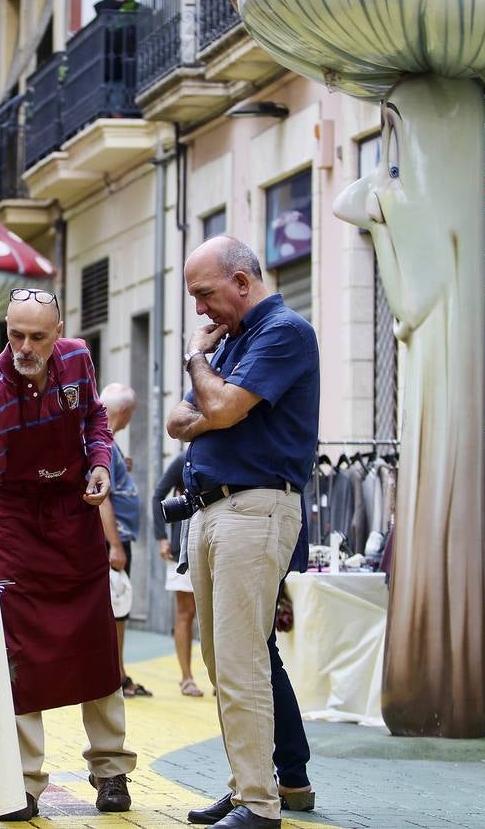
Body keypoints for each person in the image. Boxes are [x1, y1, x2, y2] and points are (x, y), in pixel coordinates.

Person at [0, 288, 136, 820]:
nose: (24, 346)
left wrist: (101, 464)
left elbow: (95, 421)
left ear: (57, 333)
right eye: (15, 334)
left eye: (37, 336)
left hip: (72, 510)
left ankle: (110, 770)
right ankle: (24, 781)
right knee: (18, 649)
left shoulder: (79, 359)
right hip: (15, 518)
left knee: (96, 641)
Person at [167, 237, 319, 829]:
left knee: (242, 660)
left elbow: (222, 411)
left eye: (205, 294)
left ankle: (260, 802)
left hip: (254, 509)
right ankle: (248, 786)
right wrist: (217, 398)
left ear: (241, 281)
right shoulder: (231, 342)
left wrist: (199, 368)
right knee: (220, 658)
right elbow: (182, 422)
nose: (201, 310)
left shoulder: (284, 331)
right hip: (212, 510)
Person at [99, 382, 150, 697]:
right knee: (116, 607)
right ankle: (115, 676)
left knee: (117, 607)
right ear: (126, 412)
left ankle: (118, 673)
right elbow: (101, 496)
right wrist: (115, 545)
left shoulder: (108, 442)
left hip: (115, 535)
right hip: (112, 538)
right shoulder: (103, 439)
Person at [152, 451, 202, 697]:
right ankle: (186, 678)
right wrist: (161, 537)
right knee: (186, 613)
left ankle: (219, 679)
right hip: (180, 547)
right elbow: (158, 495)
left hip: (211, 543)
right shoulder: (184, 459)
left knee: (214, 614)